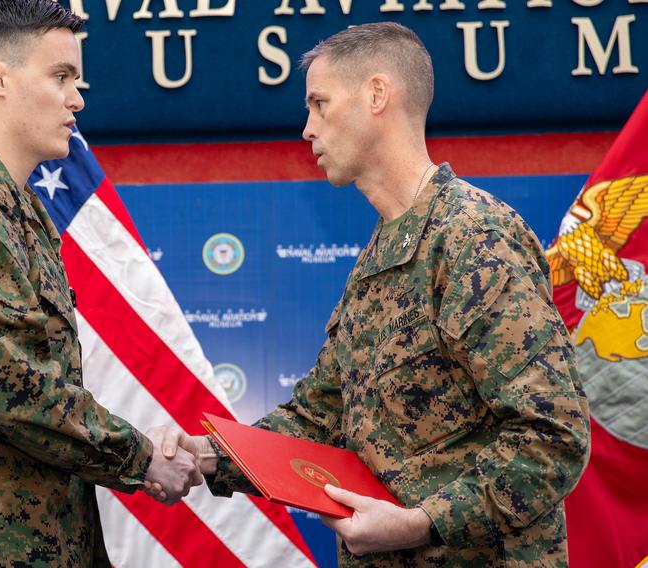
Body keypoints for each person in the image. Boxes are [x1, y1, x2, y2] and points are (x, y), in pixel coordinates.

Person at [151, 22, 591, 566]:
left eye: (320, 103)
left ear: (377, 95)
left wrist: (420, 524)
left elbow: (552, 435)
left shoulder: (474, 237)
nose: (307, 128)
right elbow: (320, 416)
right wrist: (210, 455)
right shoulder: (382, 254)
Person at [0, 1, 201, 565]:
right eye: (61, 76)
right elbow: (7, 384)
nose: (78, 97)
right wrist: (141, 456)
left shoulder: (10, 206)